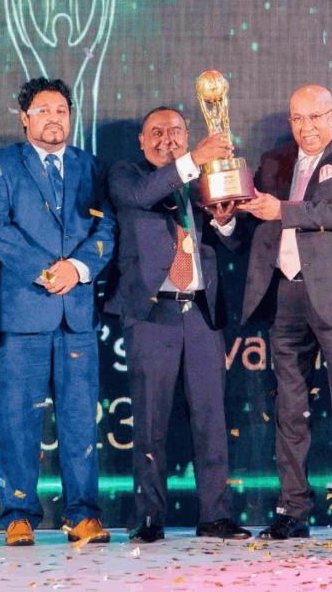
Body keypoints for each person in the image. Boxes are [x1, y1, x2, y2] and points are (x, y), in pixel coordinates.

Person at [238, 85, 332, 543]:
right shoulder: (275, 160)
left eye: (315, 117)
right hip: (285, 294)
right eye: (298, 119)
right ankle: (292, 509)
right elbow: (251, 216)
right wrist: (228, 204)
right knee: (290, 409)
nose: (306, 128)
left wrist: (281, 209)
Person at [0, 77, 116, 546]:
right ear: (24, 117)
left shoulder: (90, 166)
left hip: (77, 315)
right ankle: (18, 514)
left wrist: (78, 268)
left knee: (79, 421)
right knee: (17, 422)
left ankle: (83, 515)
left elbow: (107, 229)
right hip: (23, 314)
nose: (54, 117)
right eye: (43, 110)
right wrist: (45, 270)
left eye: (61, 109)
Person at [105, 106, 252, 543]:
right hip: (152, 314)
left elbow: (233, 241)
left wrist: (225, 218)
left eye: (175, 131)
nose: (166, 137)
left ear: (188, 135)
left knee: (211, 418)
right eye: (156, 131)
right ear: (141, 139)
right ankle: (150, 517)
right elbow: (146, 195)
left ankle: (216, 516)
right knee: (150, 421)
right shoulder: (125, 175)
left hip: (202, 315)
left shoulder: (205, 178)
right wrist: (193, 160)